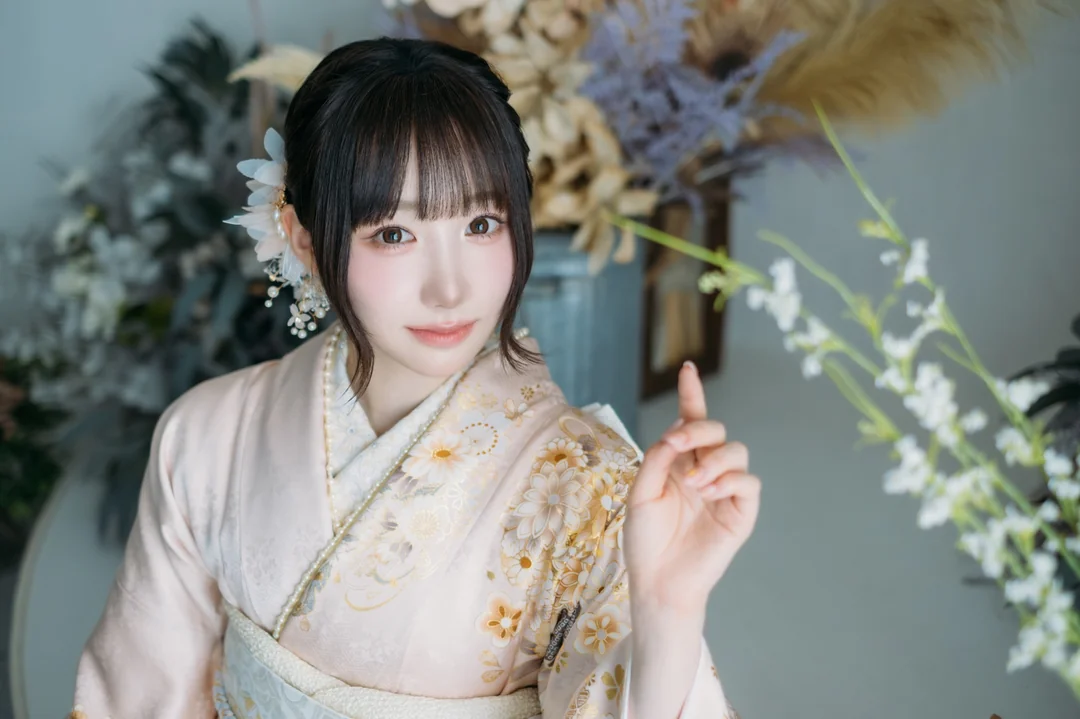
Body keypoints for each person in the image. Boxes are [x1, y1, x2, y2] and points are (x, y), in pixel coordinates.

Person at [71, 37, 760, 719]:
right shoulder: (207, 436)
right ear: (305, 239)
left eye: (482, 223)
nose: (450, 288)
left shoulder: (594, 489)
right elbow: (138, 696)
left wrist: (669, 613)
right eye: (394, 234)